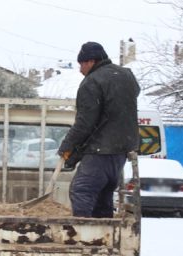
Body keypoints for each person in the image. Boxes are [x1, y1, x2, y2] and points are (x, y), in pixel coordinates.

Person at [57, 41, 140, 218]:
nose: (80, 70)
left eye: (81, 64)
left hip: (101, 150)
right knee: (103, 196)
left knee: (82, 191)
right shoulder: (127, 75)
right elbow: (121, 103)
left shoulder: (92, 82)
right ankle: (104, 237)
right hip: (121, 151)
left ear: (90, 61)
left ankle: (84, 238)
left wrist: (67, 146)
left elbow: (85, 122)